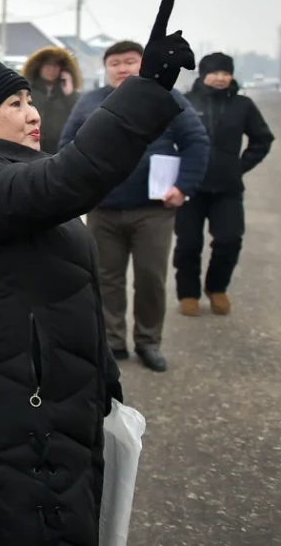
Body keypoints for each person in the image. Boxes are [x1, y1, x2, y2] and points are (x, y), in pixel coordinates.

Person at [0, 0, 195, 546]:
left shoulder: (17, 171)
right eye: (15, 103)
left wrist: (104, 382)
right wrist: (145, 89)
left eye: (30, 100)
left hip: (54, 405)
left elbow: (63, 288)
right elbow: (70, 179)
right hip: (4, 414)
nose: (32, 113)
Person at [58, 39, 209, 373]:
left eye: (129, 61)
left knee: (150, 279)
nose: (122, 68)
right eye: (115, 63)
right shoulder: (90, 102)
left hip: (152, 210)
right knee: (105, 279)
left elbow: (196, 141)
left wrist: (183, 187)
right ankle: (112, 342)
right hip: (103, 209)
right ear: (105, 68)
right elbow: (68, 145)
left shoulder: (165, 97)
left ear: (142, 64)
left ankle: (148, 341)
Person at [174, 52, 274, 316]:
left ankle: (217, 288)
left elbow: (262, 140)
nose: (220, 78)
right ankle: (188, 293)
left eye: (226, 73)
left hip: (227, 188)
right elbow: (165, 136)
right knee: (188, 244)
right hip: (190, 188)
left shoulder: (243, 105)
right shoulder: (185, 102)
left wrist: (239, 167)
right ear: (203, 74)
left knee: (229, 240)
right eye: (215, 72)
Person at [21, 46, 81, 154]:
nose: (51, 69)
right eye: (47, 65)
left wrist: (70, 94)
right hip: (31, 151)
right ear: (38, 67)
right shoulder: (27, 92)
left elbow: (79, 118)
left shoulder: (70, 96)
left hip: (61, 152)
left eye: (55, 66)